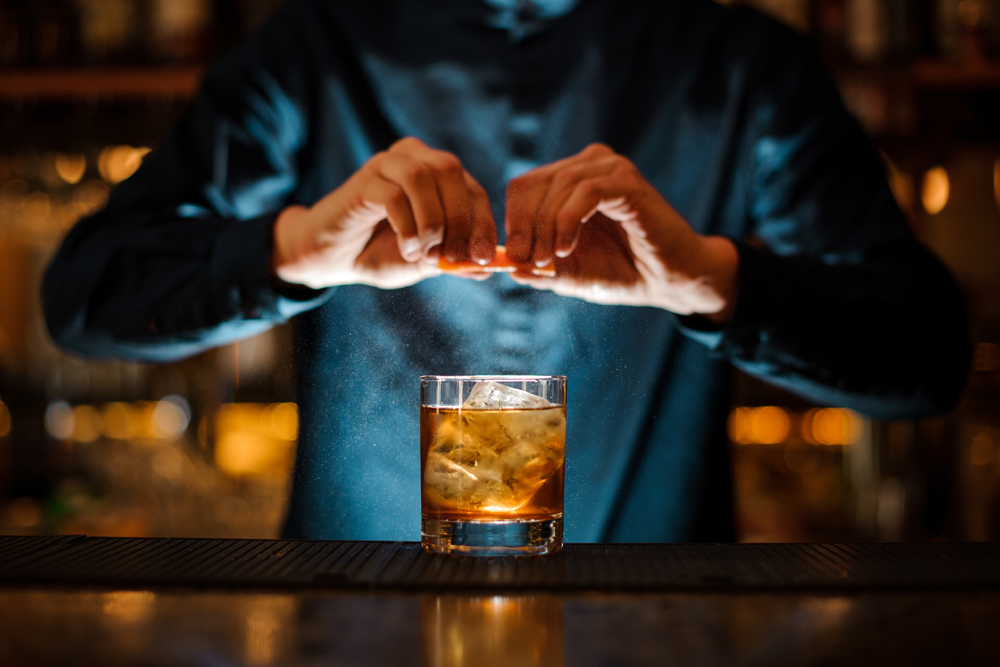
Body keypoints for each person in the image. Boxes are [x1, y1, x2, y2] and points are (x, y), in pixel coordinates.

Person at [43, 0, 970, 542]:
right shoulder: (310, 55)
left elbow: (927, 354)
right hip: (353, 627)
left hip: (662, 630)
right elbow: (86, 296)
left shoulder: (746, 66)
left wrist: (707, 279)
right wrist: (292, 252)